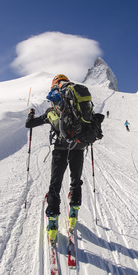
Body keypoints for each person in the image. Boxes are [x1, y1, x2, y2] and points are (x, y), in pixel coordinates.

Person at [25, 74, 89, 241]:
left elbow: (29, 125)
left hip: (61, 148)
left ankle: (53, 222)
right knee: (76, 179)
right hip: (79, 145)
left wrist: (31, 115)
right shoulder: (78, 100)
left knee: (55, 183)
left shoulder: (52, 111)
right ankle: (74, 213)